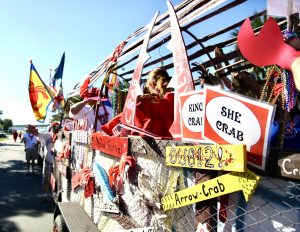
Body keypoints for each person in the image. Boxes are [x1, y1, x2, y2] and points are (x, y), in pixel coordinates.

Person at [102, 67, 174, 137]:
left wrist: (118, 128)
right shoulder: (178, 100)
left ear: (151, 84)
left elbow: (127, 118)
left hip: (151, 146)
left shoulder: (146, 103)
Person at [28, 122, 60, 201]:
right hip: (48, 161)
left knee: (57, 180)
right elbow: (36, 133)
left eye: (57, 127)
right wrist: (30, 129)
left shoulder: (60, 135)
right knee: (46, 179)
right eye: (54, 127)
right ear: (51, 127)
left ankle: (55, 195)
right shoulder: (46, 135)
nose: (56, 129)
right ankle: (44, 195)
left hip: (57, 162)